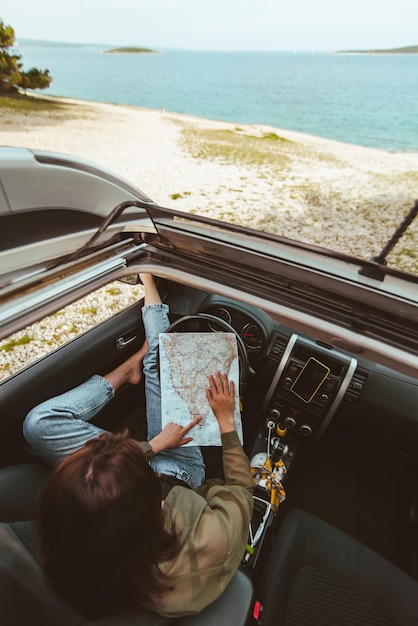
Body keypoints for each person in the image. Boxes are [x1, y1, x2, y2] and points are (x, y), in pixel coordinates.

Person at [23, 274, 254, 619]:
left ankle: (131, 361)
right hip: (179, 474)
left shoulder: (82, 551)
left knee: (38, 425)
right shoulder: (211, 540)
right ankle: (149, 290)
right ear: (157, 507)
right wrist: (225, 421)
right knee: (160, 365)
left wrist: (154, 444)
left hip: (128, 492)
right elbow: (241, 488)